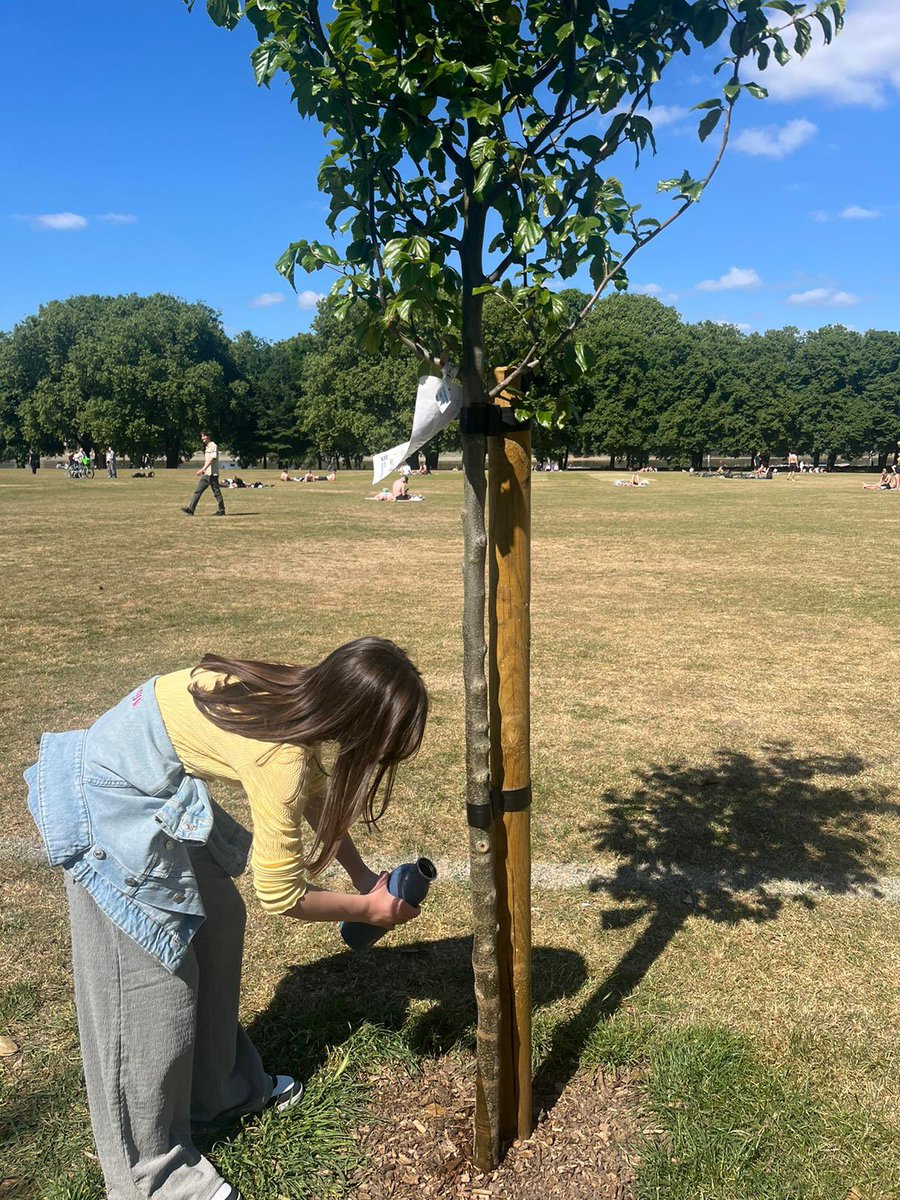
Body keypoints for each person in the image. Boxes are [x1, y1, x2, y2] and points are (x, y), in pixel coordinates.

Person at [24, 637, 427, 1200]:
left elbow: (314, 797)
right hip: (107, 799)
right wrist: (369, 909)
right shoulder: (280, 756)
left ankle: (220, 1092)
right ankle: (151, 1177)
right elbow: (281, 894)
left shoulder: (297, 700)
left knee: (219, 923)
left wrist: (363, 878)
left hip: (158, 790)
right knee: (154, 987)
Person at [182, 432, 225, 517]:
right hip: (206, 474)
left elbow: (212, 460)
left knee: (217, 493)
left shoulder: (213, 446)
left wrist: (202, 469)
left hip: (212, 475)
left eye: (204, 436)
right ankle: (191, 509)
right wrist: (204, 470)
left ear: (208, 436)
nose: (202, 438)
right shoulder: (207, 447)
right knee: (197, 491)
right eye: (201, 436)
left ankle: (221, 510)